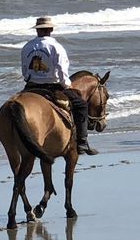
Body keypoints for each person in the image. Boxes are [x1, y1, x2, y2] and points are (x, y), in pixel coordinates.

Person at [20, 16, 96, 155]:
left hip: (30, 86)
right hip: (51, 87)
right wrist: (67, 85)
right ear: (51, 29)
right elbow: (62, 70)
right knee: (81, 106)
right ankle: (82, 142)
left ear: (37, 31)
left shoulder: (27, 46)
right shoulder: (56, 47)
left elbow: (25, 70)